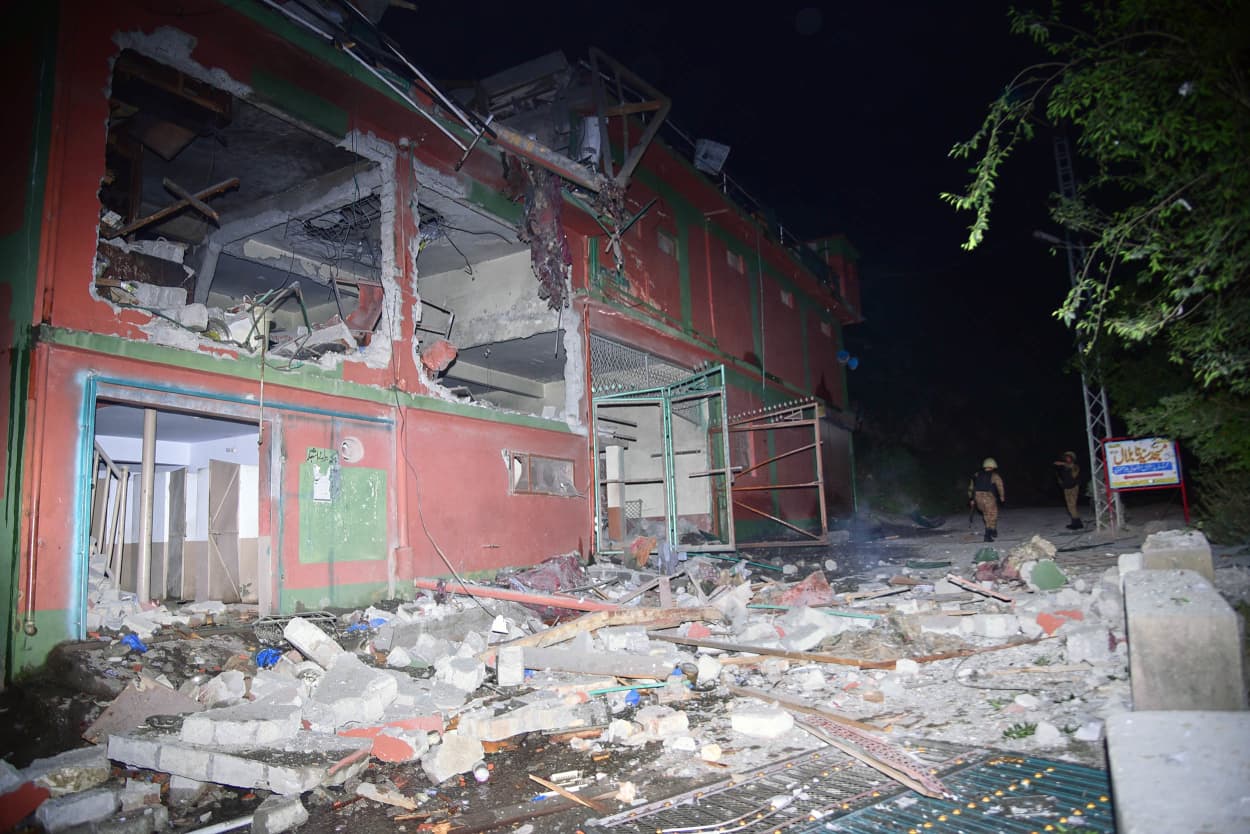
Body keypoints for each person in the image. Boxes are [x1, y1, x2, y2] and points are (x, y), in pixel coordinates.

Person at [968, 457, 1006, 542]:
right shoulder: (994, 475)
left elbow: (971, 487)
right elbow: (1000, 486)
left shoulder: (976, 474)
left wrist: (971, 499)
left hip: (978, 497)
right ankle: (988, 534)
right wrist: (1002, 496)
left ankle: (992, 530)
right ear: (993, 466)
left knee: (986, 514)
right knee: (992, 514)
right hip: (988, 497)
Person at [1053, 450, 1083, 529]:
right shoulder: (1064, 468)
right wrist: (1061, 483)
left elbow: (1073, 469)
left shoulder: (1074, 466)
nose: (1067, 459)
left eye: (1068, 457)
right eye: (1066, 457)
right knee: (1069, 506)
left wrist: (1062, 464)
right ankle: (1075, 522)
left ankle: (1077, 523)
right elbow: (1062, 477)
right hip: (1066, 487)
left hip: (1073, 487)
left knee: (1072, 505)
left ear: (1072, 458)